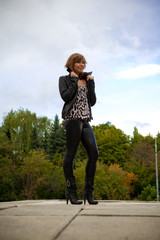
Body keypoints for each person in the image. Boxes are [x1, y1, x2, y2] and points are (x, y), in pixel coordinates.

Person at [59, 53, 98, 205]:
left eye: (83, 63)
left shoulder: (87, 81)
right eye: (79, 62)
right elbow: (66, 97)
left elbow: (92, 102)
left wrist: (92, 85)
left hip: (86, 120)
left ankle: (88, 192)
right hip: (72, 119)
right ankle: (71, 191)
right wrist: (74, 80)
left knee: (94, 154)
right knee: (71, 153)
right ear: (71, 64)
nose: (82, 65)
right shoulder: (64, 79)